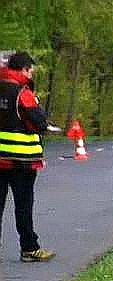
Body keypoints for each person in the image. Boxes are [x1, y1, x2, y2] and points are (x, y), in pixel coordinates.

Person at [0, 51, 55, 262]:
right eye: (30, 71)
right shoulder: (22, 93)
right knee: (23, 206)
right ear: (23, 70)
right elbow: (39, 121)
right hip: (21, 161)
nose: (31, 74)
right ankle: (29, 248)